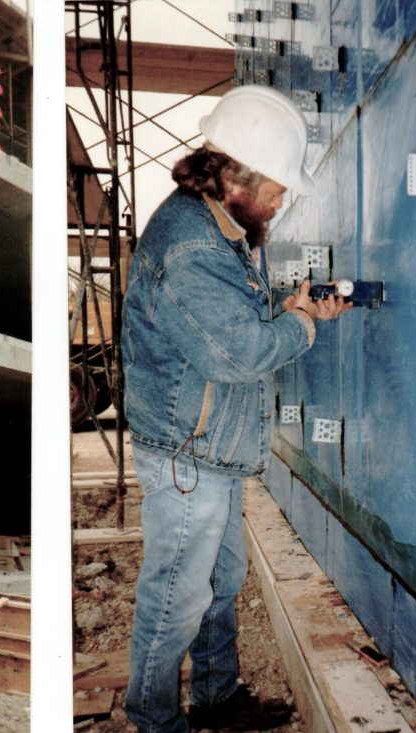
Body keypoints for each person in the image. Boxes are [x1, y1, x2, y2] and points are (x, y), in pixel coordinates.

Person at [121, 86, 352, 733]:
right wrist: (302, 325)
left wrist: (287, 301)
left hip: (205, 450)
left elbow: (230, 317)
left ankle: (217, 698)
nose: (282, 202)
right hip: (184, 457)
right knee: (176, 595)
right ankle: (154, 721)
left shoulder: (218, 231)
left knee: (221, 579)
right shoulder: (191, 244)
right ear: (235, 177)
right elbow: (239, 350)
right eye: (278, 188)